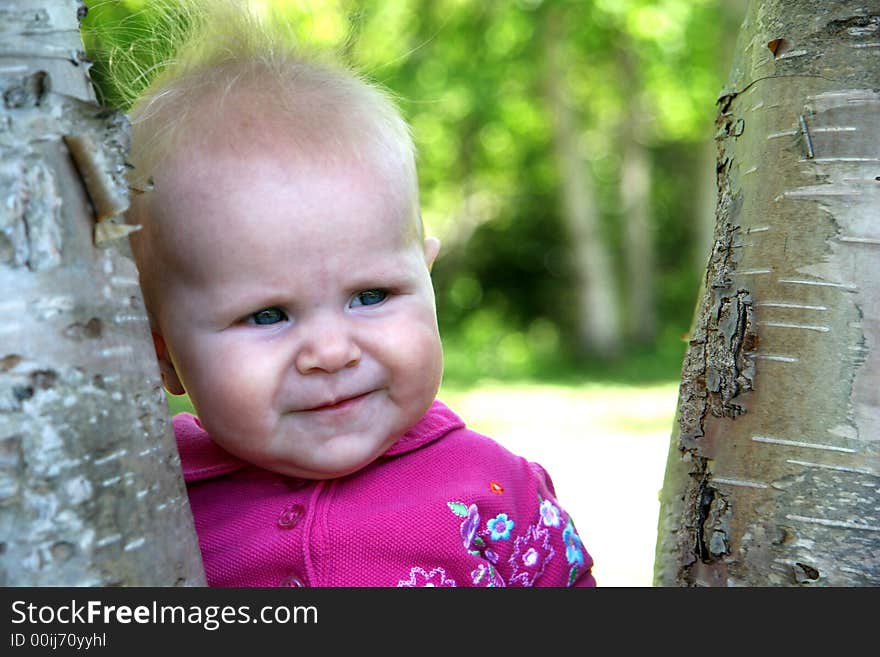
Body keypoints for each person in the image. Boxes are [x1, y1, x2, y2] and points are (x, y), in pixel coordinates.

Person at [121, 3, 595, 587]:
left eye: (370, 296)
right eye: (267, 314)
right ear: (162, 353)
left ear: (428, 282)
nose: (331, 351)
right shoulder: (137, 500)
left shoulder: (497, 494)